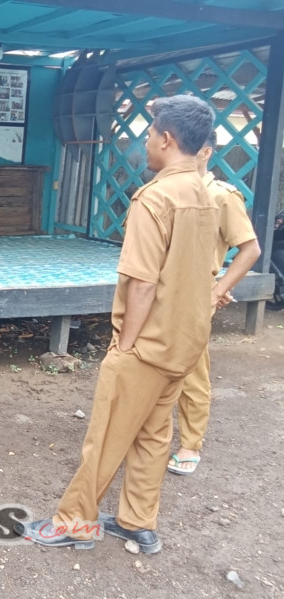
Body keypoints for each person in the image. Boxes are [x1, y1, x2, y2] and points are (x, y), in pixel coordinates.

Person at [18, 95, 217, 553]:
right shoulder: (205, 193)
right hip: (185, 343)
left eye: (149, 135)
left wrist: (124, 347)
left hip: (146, 345)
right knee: (153, 434)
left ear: (166, 139)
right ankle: (135, 521)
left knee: (105, 436)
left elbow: (142, 282)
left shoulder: (155, 198)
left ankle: (74, 523)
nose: (146, 142)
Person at [167, 132, 260, 475]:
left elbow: (249, 249)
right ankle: (151, 436)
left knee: (191, 371)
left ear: (206, 152)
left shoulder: (222, 196)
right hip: (160, 292)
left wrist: (217, 290)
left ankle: (190, 444)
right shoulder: (168, 191)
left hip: (194, 297)